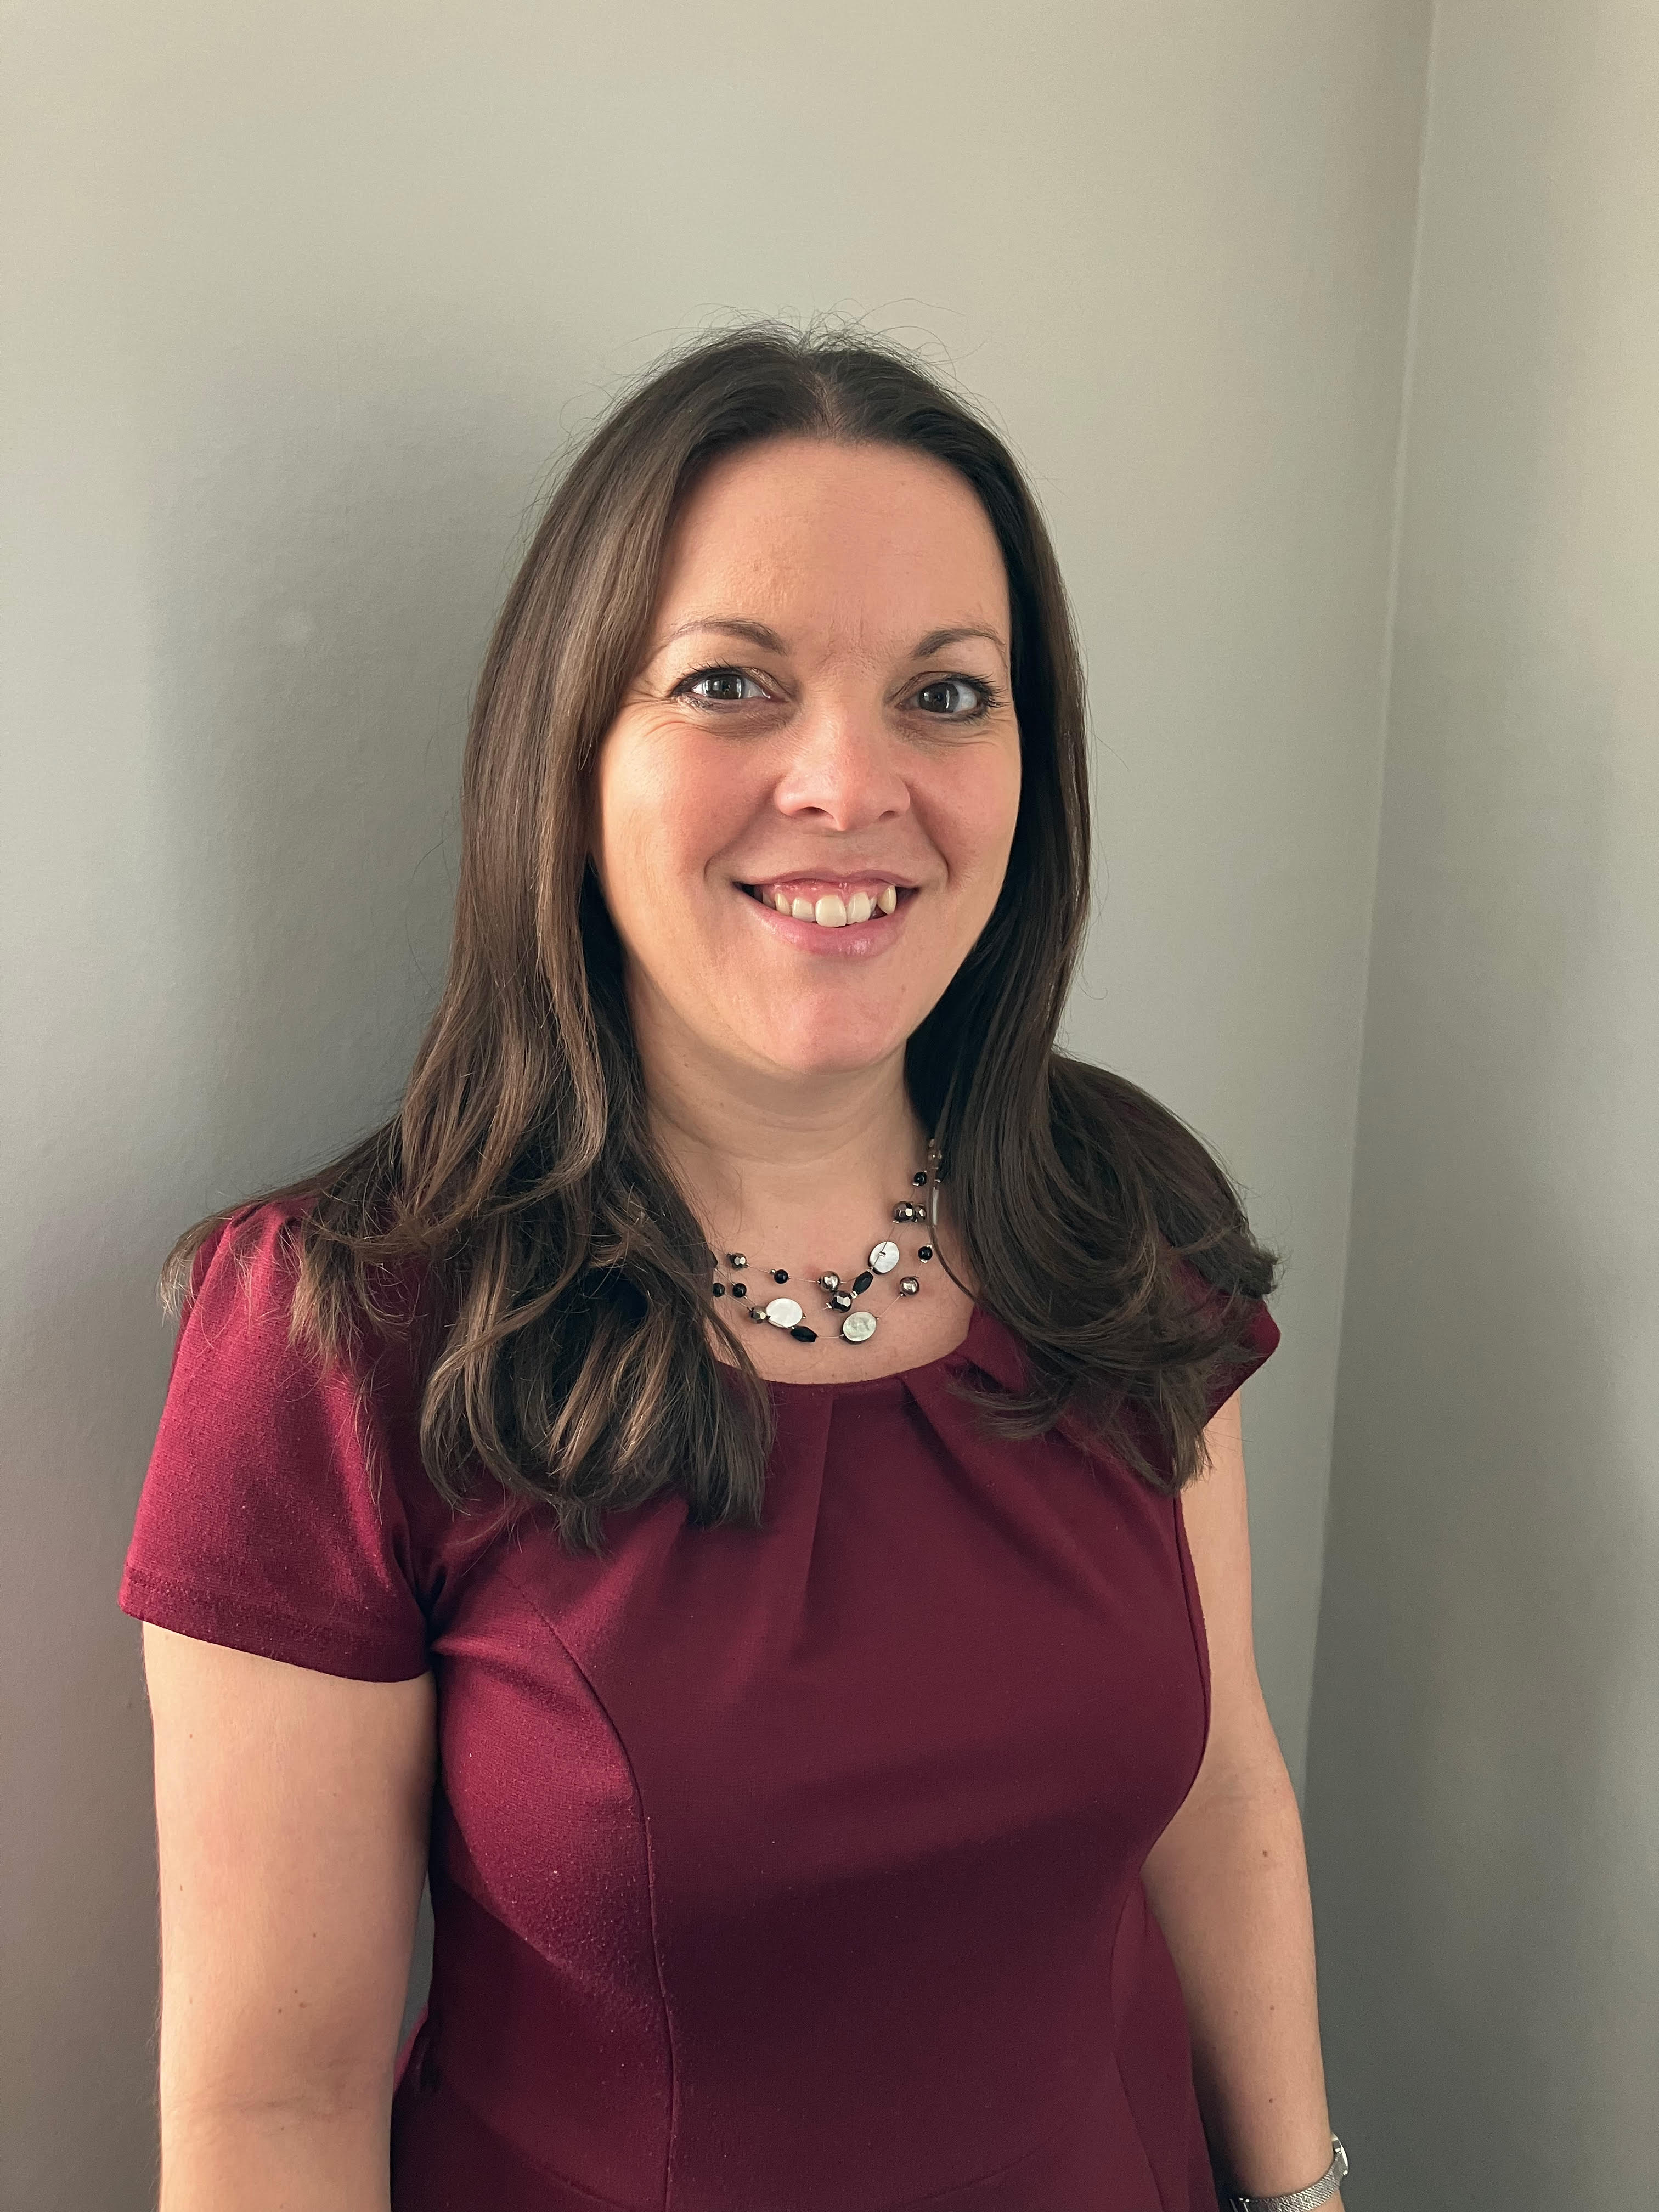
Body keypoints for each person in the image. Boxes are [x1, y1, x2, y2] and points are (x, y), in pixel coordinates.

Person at [121, 320, 1347, 2212]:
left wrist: (1306, 2191)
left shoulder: (1124, 1216)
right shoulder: (341, 1335)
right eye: (731, 686)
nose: (850, 784)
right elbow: (276, 2105)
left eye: (948, 696)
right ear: (574, 755)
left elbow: (1217, 1792)